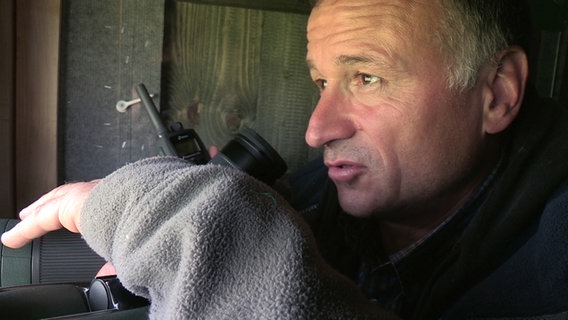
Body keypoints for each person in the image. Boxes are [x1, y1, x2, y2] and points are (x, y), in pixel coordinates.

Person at [3, 0, 568, 319]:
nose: (317, 129)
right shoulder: (317, 193)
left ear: (496, 92)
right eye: (321, 81)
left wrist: (197, 229)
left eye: (367, 77)